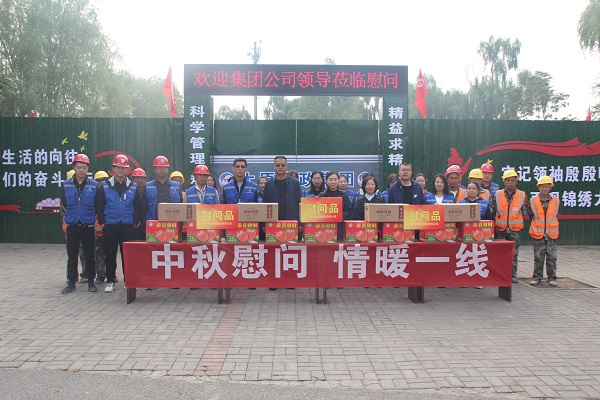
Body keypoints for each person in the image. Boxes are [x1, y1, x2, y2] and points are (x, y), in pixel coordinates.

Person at [96, 155, 141, 293]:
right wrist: (103, 223)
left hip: (127, 226)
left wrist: (134, 223)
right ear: (113, 168)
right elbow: (99, 206)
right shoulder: (105, 186)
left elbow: (137, 207)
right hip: (110, 225)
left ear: (127, 170)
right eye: (118, 167)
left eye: (123, 168)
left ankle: (128, 281)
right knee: (110, 254)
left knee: (127, 255)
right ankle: (110, 281)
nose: (121, 170)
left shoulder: (133, 186)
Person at [60, 154, 99, 294]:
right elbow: (64, 204)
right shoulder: (66, 185)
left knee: (90, 255)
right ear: (74, 168)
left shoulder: (94, 185)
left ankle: (91, 281)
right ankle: (71, 282)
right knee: (72, 255)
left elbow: (97, 205)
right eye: (79, 167)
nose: (81, 170)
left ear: (88, 168)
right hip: (72, 225)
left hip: (88, 225)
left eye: (84, 167)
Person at [494, 169, 528, 284]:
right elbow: (493, 209)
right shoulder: (497, 194)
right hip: (500, 229)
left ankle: (512, 275)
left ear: (516, 182)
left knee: (514, 253)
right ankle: (500, 274)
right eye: (508, 180)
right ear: (504, 181)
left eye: (512, 180)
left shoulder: (522, 195)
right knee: (499, 254)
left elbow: (524, 212)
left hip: (515, 230)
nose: (510, 183)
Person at [527, 176, 560, 287]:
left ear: (550, 188)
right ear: (539, 187)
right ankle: (537, 277)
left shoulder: (556, 201)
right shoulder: (533, 201)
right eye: (542, 186)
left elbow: (557, 215)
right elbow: (531, 215)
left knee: (552, 257)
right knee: (538, 257)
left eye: (546, 186)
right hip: (538, 233)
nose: (544, 189)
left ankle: (552, 278)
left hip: (551, 233)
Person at [262, 156, 302, 221]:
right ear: (274, 166)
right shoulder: (268, 184)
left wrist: (300, 223)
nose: (280, 167)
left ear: (286, 166)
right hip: (273, 222)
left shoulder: (295, 183)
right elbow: (264, 205)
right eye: (278, 165)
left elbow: (300, 204)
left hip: (291, 222)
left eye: (283, 165)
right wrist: (264, 224)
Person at [146, 156, 182, 222]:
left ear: (167, 169)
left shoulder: (176, 186)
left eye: (164, 168)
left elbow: (181, 207)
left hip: (172, 223)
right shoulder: (148, 186)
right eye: (159, 168)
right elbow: (143, 208)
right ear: (155, 169)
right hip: (153, 223)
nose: (162, 170)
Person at [319, 171, 353, 240]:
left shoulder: (343, 195)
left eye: (335, 179)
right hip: (325, 227)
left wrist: (340, 216)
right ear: (326, 181)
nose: (333, 182)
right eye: (331, 180)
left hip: (340, 227)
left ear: (338, 181)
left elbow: (349, 210)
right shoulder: (322, 195)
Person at [92, 171, 109, 284]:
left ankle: (111, 275)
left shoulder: (109, 192)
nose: (101, 182)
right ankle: (100, 275)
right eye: (99, 180)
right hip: (96, 230)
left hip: (108, 227)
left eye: (104, 180)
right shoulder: (93, 194)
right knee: (98, 253)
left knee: (110, 253)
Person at [131, 168, 148, 241]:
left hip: (146, 223)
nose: (139, 180)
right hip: (133, 223)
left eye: (142, 178)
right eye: (137, 178)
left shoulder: (149, 190)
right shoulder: (129, 191)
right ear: (132, 179)